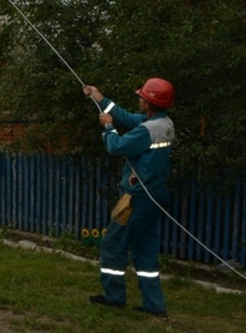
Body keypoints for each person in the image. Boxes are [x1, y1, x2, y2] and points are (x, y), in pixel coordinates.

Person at [82, 78, 176, 318]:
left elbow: (117, 147)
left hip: (137, 197)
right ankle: (154, 305)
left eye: (142, 97)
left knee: (112, 244)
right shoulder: (162, 123)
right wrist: (99, 97)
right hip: (155, 194)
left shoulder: (147, 130)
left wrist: (108, 128)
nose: (139, 99)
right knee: (145, 249)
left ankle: (114, 298)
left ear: (149, 102)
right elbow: (124, 116)